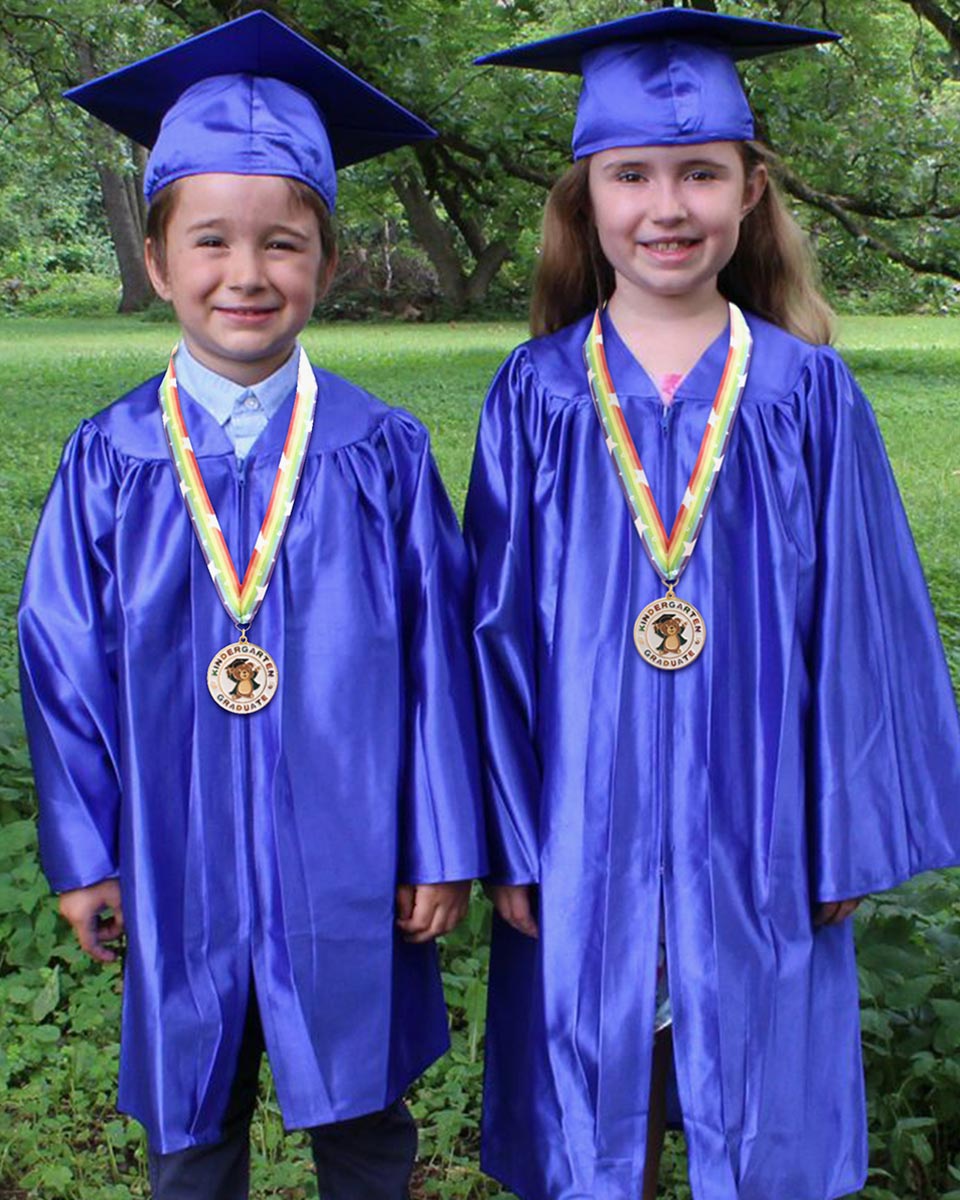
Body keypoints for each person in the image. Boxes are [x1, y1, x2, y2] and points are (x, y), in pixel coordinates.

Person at [464, 9, 960, 1200]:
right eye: (631, 175)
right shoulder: (535, 395)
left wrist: (847, 827)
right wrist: (507, 836)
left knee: (767, 1112)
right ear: (589, 200)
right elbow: (493, 632)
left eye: (700, 173)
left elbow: (866, 625)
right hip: (582, 822)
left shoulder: (807, 394)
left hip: (769, 822)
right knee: (595, 1116)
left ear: (750, 194)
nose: (667, 206)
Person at [18, 12, 486, 1199]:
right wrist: (84, 852)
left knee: (366, 1116)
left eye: (283, 245)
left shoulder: (377, 451)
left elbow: (440, 651)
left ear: (325, 265)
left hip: (353, 842)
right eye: (212, 242)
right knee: (192, 1120)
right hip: (172, 847)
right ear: (161, 262)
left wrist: (438, 836)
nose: (247, 274)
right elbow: (60, 658)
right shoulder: (110, 458)